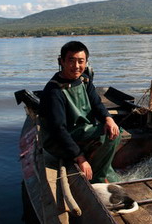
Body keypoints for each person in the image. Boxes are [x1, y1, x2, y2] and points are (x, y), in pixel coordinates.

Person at [39, 41, 121, 183]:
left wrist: (108, 118)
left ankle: (101, 168)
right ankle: (96, 177)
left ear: (86, 62)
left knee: (113, 130)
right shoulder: (54, 91)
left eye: (81, 61)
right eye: (71, 61)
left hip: (80, 131)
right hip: (58, 139)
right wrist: (79, 157)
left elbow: (96, 104)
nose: (76, 66)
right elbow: (58, 129)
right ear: (62, 61)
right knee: (106, 135)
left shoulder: (84, 80)